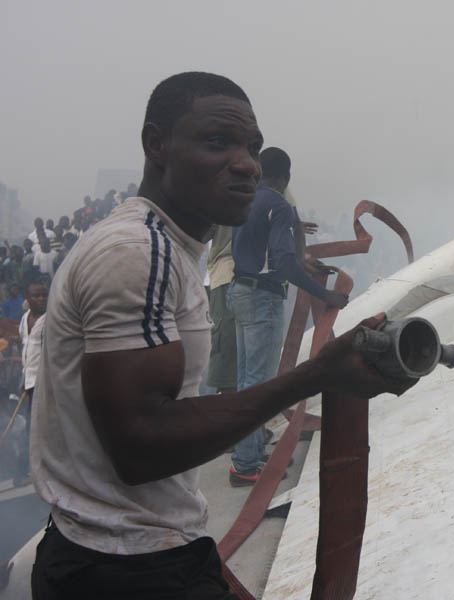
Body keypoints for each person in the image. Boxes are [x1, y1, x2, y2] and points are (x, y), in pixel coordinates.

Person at [29, 71, 413, 600]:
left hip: (108, 554)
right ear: (156, 145)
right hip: (131, 571)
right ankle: (249, 464)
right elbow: (140, 446)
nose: (244, 163)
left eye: (252, 148)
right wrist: (314, 376)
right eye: (218, 142)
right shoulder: (139, 253)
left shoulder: (170, 246)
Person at [228, 147, 349, 485]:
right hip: (263, 297)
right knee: (260, 385)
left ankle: (247, 452)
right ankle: (245, 465)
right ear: (286, 177)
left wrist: (302, 262)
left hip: (240, 291)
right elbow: (281, 262)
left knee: (246, 381)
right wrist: (323, 293)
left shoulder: (246, 199)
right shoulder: (278, 205)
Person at [15, 279, 47, 487]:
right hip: (29, 382)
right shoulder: (25, 318)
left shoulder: (51, 319)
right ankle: (27, 471)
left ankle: (43, 471)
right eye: (36, 295)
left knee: (44, 428)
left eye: (44, 295)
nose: (41, 299)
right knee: (30, 429)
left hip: (46, 382)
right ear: (28, 299)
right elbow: (25, 350)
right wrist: (24, 378)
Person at [205, 224, 237, 396]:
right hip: (228, 275)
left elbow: (201, 233)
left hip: (226, 274)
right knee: (230, 345)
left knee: (228, 345)